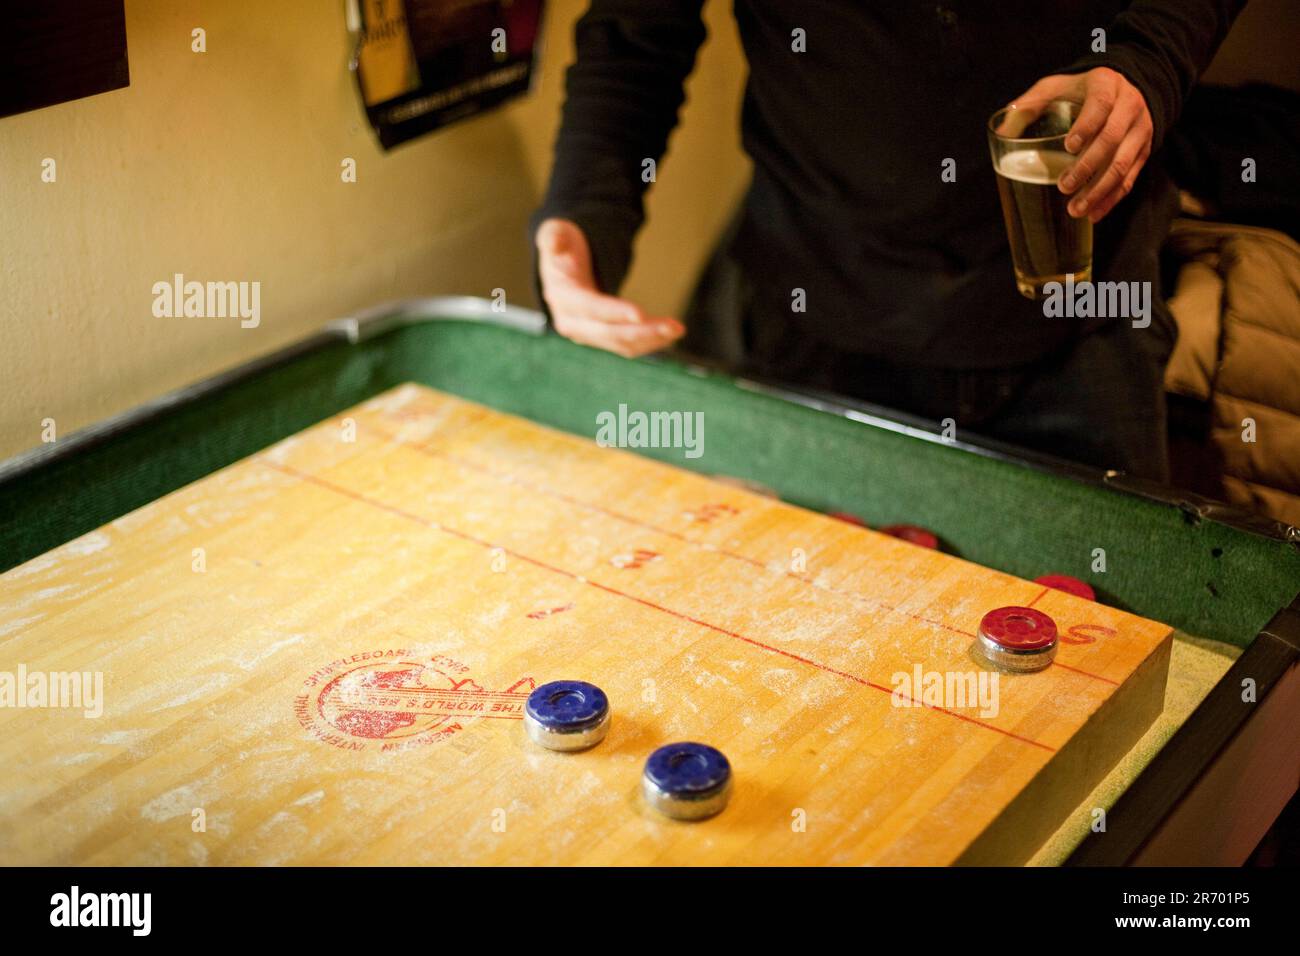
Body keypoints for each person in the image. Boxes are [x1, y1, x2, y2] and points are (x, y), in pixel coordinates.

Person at [530, 2, 1245, 481]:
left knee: (1112, 645)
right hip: (809, 307)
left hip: (1077, 315)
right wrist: (580, 219)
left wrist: (1146, 63)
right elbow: (634, 41)